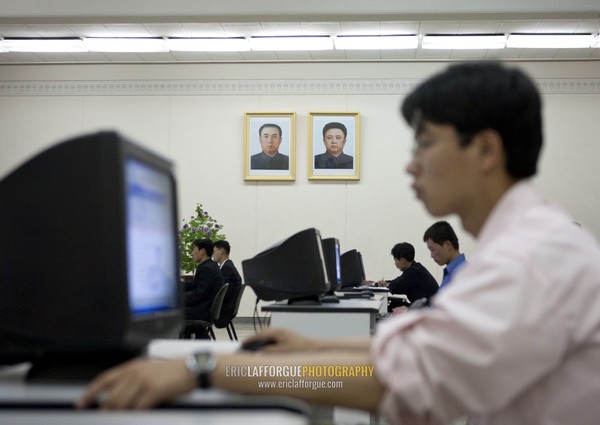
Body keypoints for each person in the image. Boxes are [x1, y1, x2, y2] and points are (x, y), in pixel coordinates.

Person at [79, 62, 600, 425]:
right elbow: (427, 345)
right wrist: (315, 346)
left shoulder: (528, 261)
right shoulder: (532, 243)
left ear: (485, 149)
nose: (411, 164)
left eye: (424, 144)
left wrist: (209, 369)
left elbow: (396, 383)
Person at [374, 242, 438, 311]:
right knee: (396, 304)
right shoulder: (415, 269)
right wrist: (385, 284)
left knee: (393, 307)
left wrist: (379, 284)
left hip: (428, 313)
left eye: (395, 260)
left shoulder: (414, 272)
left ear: (403, 260)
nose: (395, 264)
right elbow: (398, 282)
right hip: (427, 309)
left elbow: (395, 286)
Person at [183, 239, 224, 323]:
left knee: (169, 312)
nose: (192, 253)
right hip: (205, 308)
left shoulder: (207, 268)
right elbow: (194, 284)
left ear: (202, 251)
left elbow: (198, 295)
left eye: (194, 250)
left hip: (203, 311)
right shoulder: (209, 265)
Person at [423, 220, 467, 289]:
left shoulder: (460, 273)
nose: (431, 256)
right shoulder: (452, 272)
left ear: (447, 245)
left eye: (432, 250)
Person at [211, 240, 242, 328]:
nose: (212, 255)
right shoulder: (227, 266)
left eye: (213, 252)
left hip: (223, 312)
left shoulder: (227, 268)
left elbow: (224, 294)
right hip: (227, 309)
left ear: (221, 251)